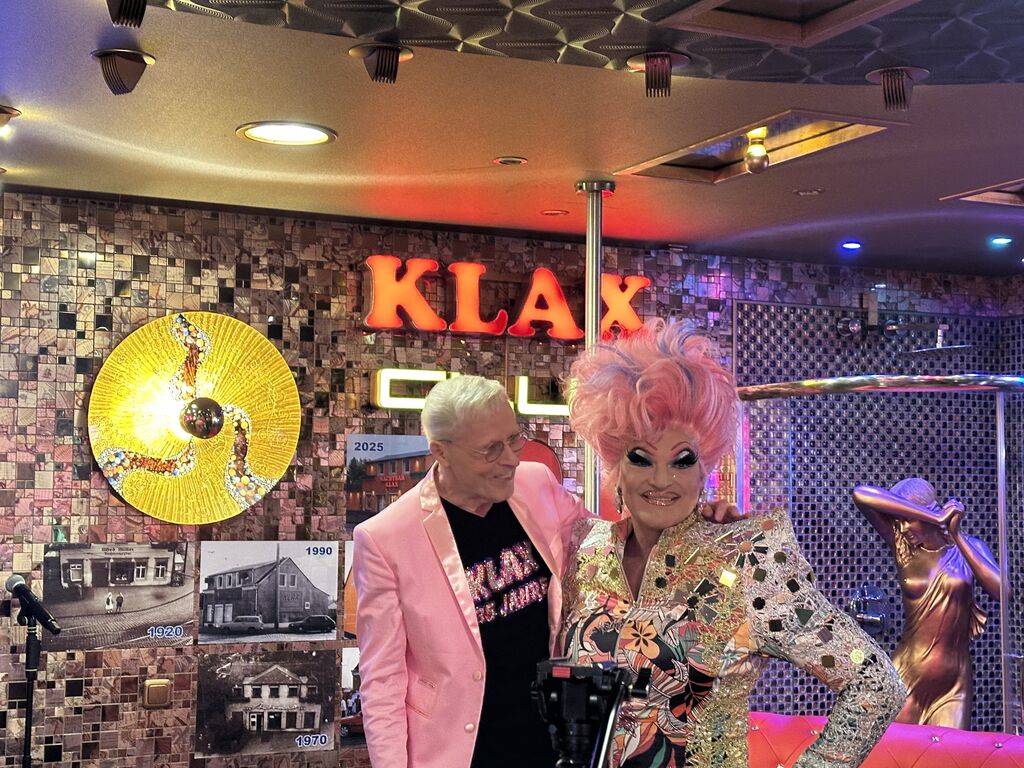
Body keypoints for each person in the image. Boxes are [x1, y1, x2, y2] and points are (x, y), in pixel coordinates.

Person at [561, 320, 906, 768]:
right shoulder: (584, 552)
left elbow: (874, 682)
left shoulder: (748, 559)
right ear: (615, 466)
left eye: (682, 460)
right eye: (641, 458)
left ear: (704, 467)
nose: (661, 480)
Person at [353, 374, 743, 768]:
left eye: (513, 439)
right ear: (441, 451)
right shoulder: (385, 538)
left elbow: (612, 544)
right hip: (457, 749)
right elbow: (382, 682)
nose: (511, 459)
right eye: (490, 450)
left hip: (550, 742)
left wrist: (697, 523)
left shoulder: (534, 483)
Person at [853, 478, 1001, 729]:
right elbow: (861, 494)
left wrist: (956, 534)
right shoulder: (903, 548)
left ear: (930, 508)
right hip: (907, 675)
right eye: (899, 519)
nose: (903, 528)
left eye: (907, 519)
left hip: (953, 684)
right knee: (898, 750)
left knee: (951, 751)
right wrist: (935, 518)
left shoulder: (971, 548)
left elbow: (1003, 592)